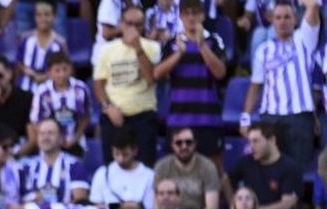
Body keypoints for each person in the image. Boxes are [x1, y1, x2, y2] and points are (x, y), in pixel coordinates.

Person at [241, 0, 320, 167]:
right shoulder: (263, 50)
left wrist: (309, 4)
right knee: (269, 169)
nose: (282, 21)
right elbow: (255, 87)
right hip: (270, 118)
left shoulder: (305, 41)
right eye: (278, 17)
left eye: (287, 17)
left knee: (298, 171)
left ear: (295, 19)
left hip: (299, 117)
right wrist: (245, 117)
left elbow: (312, 8)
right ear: (272, 20)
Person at [152, 0, 227, 165]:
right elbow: (157, 74)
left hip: (208, 119)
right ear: (181, 16)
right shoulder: (172, 43)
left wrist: (202, 46)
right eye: (187, 13)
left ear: (203, 15)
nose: (191, 17)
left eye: (195, 13)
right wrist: (178, 54)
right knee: (178, 171)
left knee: (213, 170)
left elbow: (220, 73)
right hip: (179, 119)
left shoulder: (214, 40)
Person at [93, 5, 160, 166]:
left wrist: (138, 48)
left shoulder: (153, 47)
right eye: (129, 24)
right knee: (112, 167)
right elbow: (98, 84)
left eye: (138, 24)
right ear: (121, 24)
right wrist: (108, 107)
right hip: (114, 115)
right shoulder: (106, 50)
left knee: (145, 167)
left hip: (143, 115)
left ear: (143, 26)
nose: (133, 28)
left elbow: (151, 78)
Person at [228, 123, 303, 209]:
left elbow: (286, 205)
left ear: (272, 141)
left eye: (256, 141)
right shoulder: (246, 162)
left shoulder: (289, 168)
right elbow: (225, 179)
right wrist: (233, 203)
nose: (251, 147)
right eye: (249, 142)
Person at [152, 128, 221, 209]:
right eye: (179, 143)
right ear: (172, 145)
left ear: (195, 144)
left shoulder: (207, 166)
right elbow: (156, 204)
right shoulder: (162, 166)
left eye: (188, 142)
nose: (184, 146)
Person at [27, 52, 91, 157]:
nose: (62, 74)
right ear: (49, 73)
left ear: (71, 69)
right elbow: (35, 121)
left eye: (65, 69)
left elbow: (86, 117)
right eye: (57, 71)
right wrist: (54, 138)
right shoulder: (42, 92)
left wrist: (76, 137)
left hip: (75, 142)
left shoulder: (81, 88)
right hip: (50, 143)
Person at [21, 118, 90, 206]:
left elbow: (80, 201)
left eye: (50, 133)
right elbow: (18, 200)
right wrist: (33, 198)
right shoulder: (26, 167)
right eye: (42, 133)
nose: (46, 137)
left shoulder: (74, 165)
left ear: (61, 138)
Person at [89, 129, 155, 209]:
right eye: (117, 154)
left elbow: (150, 207)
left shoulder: (149, 175)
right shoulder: (102, 173)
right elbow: (96, 203)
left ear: (135, 151)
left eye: (125, 154)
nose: (121, 159)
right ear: (112, 151)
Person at [15, 0, 67, 93]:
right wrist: (30, 73)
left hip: (51, 90)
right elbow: (19, 63)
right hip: (25, 88)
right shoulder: (25, 38)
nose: (43, 19)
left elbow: (65, 66)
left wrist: (45, 76)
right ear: (35, 17)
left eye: (47, 15)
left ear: (54, 17)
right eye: (39, 15)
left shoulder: (60, 43)